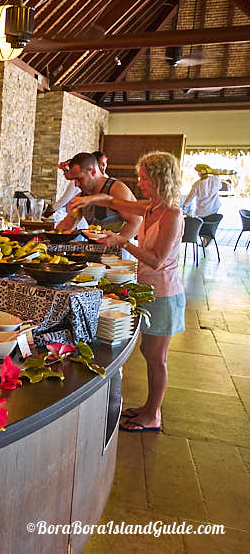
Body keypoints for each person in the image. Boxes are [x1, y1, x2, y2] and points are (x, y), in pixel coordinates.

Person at [69, 152, 185, 432]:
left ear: (160, 179)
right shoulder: (150, 207)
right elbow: (113, 201)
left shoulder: (172, 214)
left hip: (165, 294)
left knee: (157, 359)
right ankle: (147, 407)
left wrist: (123, 240)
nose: (140, 183)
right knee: (148, 351)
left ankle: (154, 414)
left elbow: (156, 259)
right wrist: (88, 199)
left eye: (144, 178)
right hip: (148, 290)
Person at [57, 152, 141, 238]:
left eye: (79, 179)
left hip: (124, 248)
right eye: (74, 179)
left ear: (93, 171)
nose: (76, 184)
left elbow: (136, 222)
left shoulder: (116, 189)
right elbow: (67, 225)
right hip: (99, 247)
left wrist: (116, 245)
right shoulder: (82, 196)